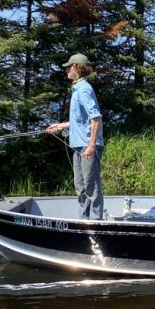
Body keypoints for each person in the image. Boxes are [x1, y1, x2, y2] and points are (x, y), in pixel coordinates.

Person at [46, 53, 104, 220]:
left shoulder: (84, 89)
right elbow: (80, 120)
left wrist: (91, 146)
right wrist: (60, 125)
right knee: (80, 186)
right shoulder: (77, 89)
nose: (66, 70)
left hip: (87, 146)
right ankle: (83, 220)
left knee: (91, 187)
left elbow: (96, 118)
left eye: (69, 67)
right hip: (78, 145)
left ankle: (95, 222)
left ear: (77, 68)